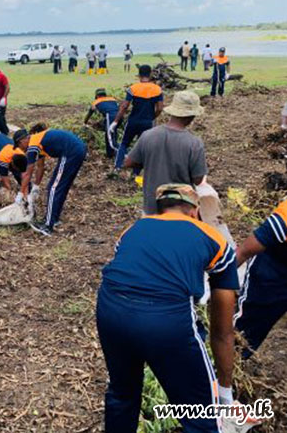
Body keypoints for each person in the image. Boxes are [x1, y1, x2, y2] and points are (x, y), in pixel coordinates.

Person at [97, 183, 238, 433]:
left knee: (122, 393)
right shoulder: (214, 238)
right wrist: (225, 392)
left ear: (159, 209)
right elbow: (223, 331)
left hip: (111, 310)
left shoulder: (132, 230)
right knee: (200, 414)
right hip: (167, 320)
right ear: (195, 211)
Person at [124, 91, 207, 215]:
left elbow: (128, 162)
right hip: (181, 210)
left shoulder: (148, 135)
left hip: (152, 208)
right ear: (192, 116)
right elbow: (198, 180)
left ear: (172, 112)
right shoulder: (194, 143)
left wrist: (149, 161)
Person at [233, 199, 287, 359]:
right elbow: (244, 251)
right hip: (273, 271)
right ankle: (224, 365)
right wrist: (214, 279)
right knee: (246, 331)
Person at [13, 124, 87, 236]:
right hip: (76, 149)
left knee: (53, 188)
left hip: (71, 151)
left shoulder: (33, 144)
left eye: (19, 145)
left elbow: (28, 173)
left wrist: (21, 193)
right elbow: (40, 167)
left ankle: (48, 226)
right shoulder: (38, 141)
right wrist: (36, 186)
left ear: (23, 140)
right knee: (60, 186)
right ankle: (54, 219)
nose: (21, 149)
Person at [110, 64, 164, 173]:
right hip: (147, 123)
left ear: (139, 75)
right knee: (141, 147)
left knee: (124, 143)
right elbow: (159, 108)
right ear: (150, 74)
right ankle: (136, 173)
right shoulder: (157, 89)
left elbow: (124, 106)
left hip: (133, 121)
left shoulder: (133, 88)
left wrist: (115, 121)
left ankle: (117, 167)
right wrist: (152, 117)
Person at [84, 88, 119, 158]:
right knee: (110, 135)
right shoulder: (112, 99)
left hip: (110, 117)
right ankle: (109, 155)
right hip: (119, 116)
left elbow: (89, 113)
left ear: (97, 96)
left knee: (111, 141)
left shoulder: (96, 102)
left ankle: (125, 153)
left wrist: (85, 122)